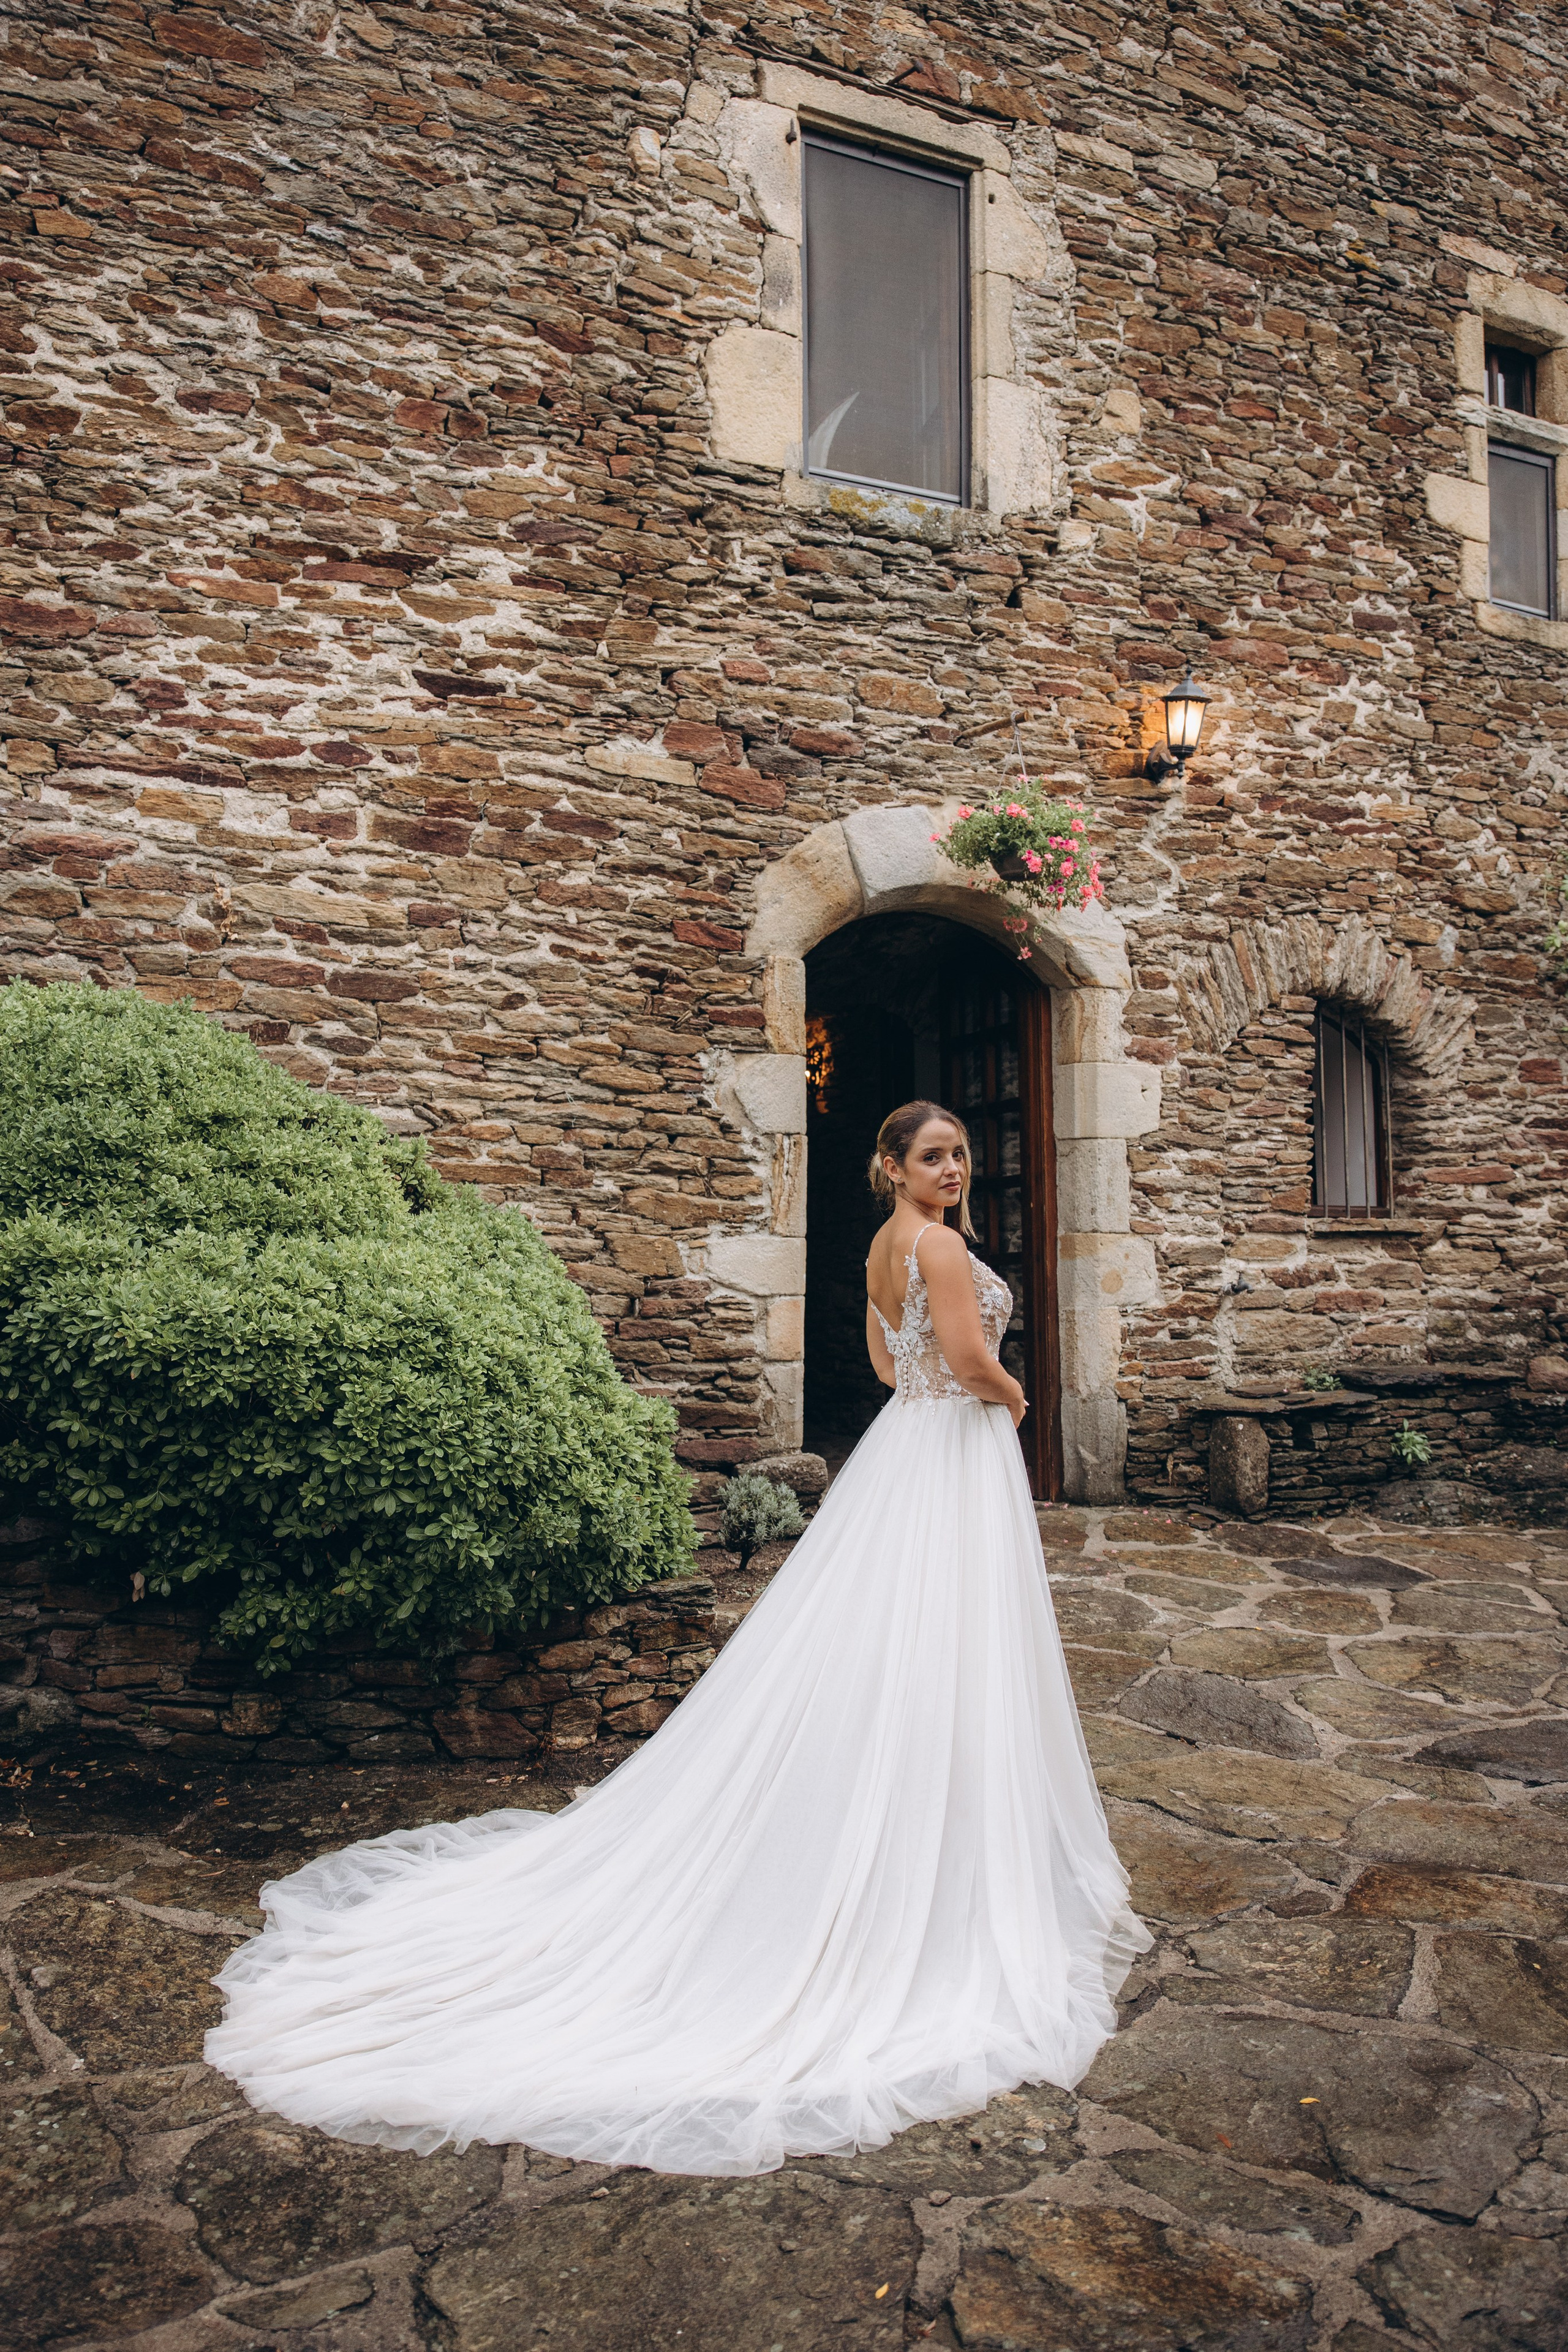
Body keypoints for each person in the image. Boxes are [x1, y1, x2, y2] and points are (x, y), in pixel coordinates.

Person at [206, 1101, 1149, 2176]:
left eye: (960, 1155)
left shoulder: (888, 1248)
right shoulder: (935, 1243)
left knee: (897, 1636)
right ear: (890, 1167)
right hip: (957, 1451)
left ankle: (910, 1807)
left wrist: (952, 1387)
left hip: (910, 1450)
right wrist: (1017, 1400)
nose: (953, 1168)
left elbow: (892, 1373)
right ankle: (928, 1847)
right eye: (932, 1155)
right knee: (943, 1638)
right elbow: (970, 1360)